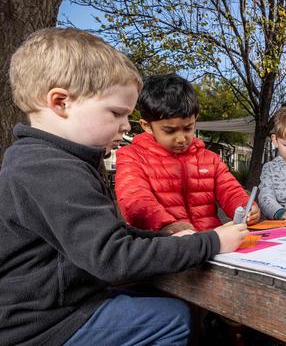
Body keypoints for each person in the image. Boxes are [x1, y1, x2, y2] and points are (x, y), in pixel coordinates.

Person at [0, 28, 249, 346]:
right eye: (117, 113)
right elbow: (114, 258)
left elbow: (110, 236)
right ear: (61, 102)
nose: (124, 126)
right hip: (42, 324)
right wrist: (211, 242)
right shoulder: (50, 169)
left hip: (60, 304)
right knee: (171, 319)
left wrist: (166, 238)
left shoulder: (55, 160)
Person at [114, 73, 260, 234]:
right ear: (147, 126)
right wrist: (165, 225)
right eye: (170, 131)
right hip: (163, 246)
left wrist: (246, 207)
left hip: (212, 243)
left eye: (188, 128)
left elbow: (230, 190)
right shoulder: (132, 157)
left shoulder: (209, 159)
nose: (181, 138)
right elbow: (135, 199)